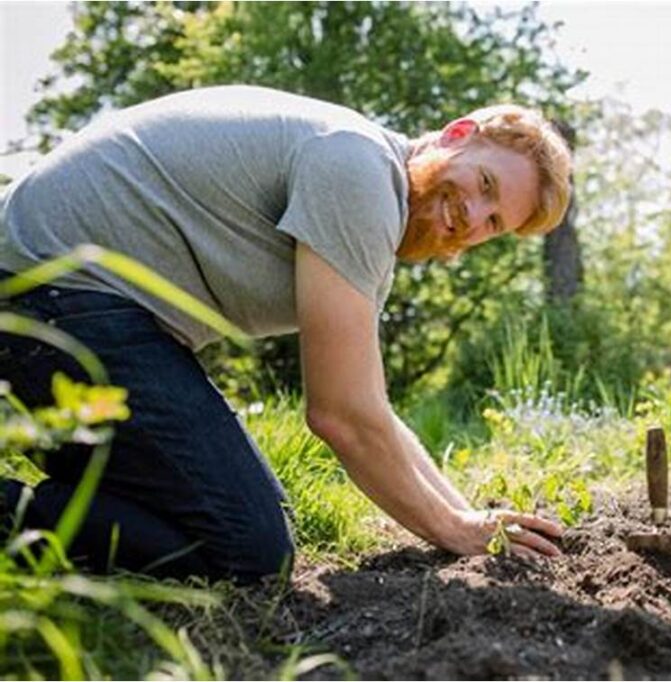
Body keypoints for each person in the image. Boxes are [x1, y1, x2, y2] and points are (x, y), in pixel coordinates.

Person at [0, 85, 572, 583]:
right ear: (458, 133)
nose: (472, 216)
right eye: (486, 184)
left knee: (249, 520)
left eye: (494, 223)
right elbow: (340, 415)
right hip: (50, 287)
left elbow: (371, 409)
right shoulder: (359, 170)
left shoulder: (372, 207)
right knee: (242, 547)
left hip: (74, 301)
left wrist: (469, 520)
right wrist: (453, 530)